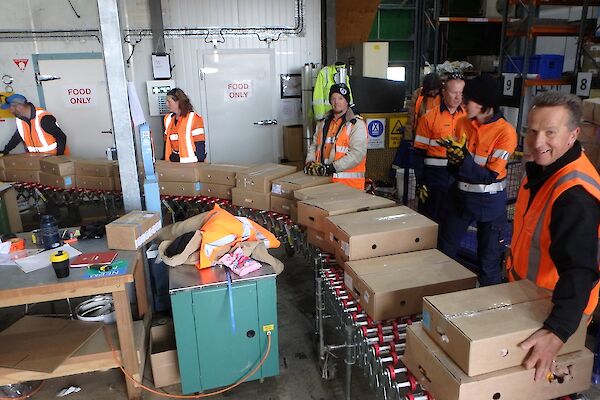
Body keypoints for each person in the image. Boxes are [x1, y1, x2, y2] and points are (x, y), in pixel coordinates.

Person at [507, 92, 600, 381]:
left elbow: (581, 270)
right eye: (532, 131)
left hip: (555, 308)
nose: (537, 142)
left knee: (537, 384)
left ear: (573, 135)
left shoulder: (574, 194)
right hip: (527, 295)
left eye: (550, 132)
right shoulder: (541, 171)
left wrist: (557, 331)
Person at [437, 74, 517, 286]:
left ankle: (487, 312)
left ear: (484, 105)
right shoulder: (463, 123)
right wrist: (454, 160)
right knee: (444, 251)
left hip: (490, 204)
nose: (462, 103)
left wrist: (463, 160)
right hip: (460, 198)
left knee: (489, 261)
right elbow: (455, 169)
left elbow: (489, 176)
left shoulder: (506, 133)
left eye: (467, 100)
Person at [413, 73, 465, 223]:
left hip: (459, 179)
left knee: (451, 223)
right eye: (454, 92)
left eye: (461, 93)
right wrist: (420, 180)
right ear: (444, 92)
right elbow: (419, 152)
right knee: (428, 221)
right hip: (433, 179)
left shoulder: (468, 119)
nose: (457, 97)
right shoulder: (429, 119)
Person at [305, 83, 367, 190]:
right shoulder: (323, 123)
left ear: (347, 101)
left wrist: (332, 168)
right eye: (333, 98)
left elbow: (357, 155)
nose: (336, 102)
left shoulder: (356, 124)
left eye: (340, 98)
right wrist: (310, 162)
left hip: (350, 187)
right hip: (325, 183)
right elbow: (314, 146)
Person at [0, 93, 69, 155]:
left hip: (54, 158)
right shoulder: (20, 120)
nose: (10, 111)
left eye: (10, 108)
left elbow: (61, 137)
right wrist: (5, 151)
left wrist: (59, 157)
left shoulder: (43, 118)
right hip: (37, 159)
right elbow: (17, 137)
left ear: (19, 107)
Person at [163, 88, 205, 163]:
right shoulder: (168, 119)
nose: (166, 104)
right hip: (172, 163)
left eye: (169, 101)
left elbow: (200, 147)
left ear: (178, 102)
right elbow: (166, 143)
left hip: (191, 164)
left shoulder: (194, 118)